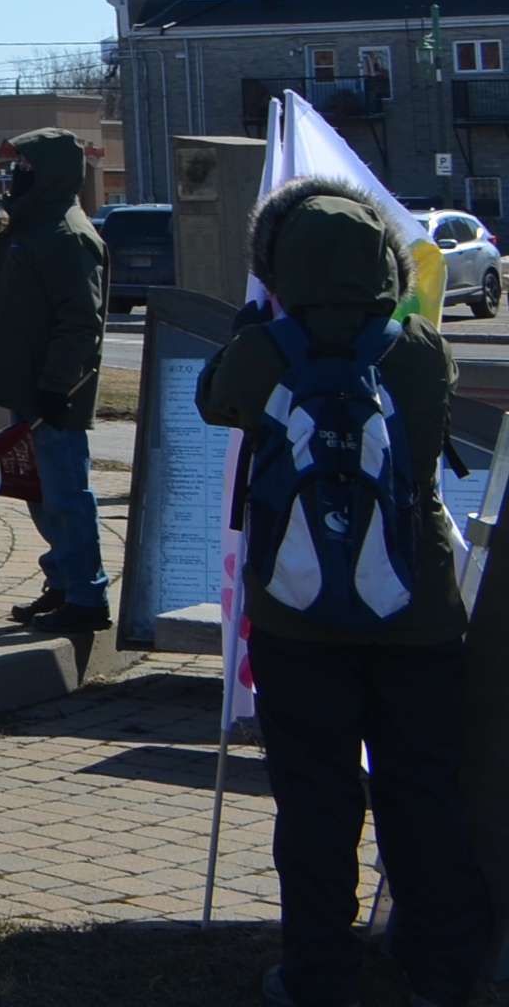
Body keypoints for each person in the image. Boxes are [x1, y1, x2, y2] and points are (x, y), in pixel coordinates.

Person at [202, 179, 485, 1007]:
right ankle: (440, 966)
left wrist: (252, 332)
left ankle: (319, 971)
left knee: (315, 797)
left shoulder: (263, 351)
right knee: (423, 788)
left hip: (297, 619)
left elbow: (214, 399)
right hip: (418, 611)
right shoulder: (422, 350)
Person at [0, 128, 109, 634]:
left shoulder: (67, 234)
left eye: (25, 168)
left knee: (66, 495)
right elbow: (6, 279)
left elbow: (82, 321)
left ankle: (87, 598)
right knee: (42, 494)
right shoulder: (31, 227)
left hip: (52, 394)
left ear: (51, 174)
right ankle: (62, 582)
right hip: (28, 387)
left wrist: (57, 386)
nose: (14, 177)